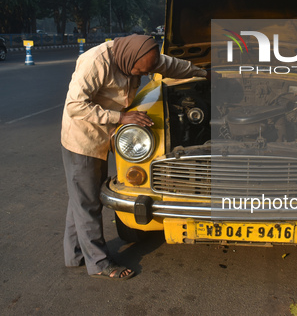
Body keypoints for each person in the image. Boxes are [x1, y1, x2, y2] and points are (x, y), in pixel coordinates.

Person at [61, 35, 206, 280]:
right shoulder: (95, 61)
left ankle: (75, 254)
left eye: (148, 70)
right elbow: (75, 106)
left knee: (82, 196)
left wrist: (203, 73)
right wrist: (121, 118)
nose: (142, 74)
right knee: (88, 201)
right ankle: (98, 263)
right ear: (129, 59)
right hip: (83, 138)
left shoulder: (142, 57)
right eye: (140, 71)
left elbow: (171, 66)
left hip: (104, 134)